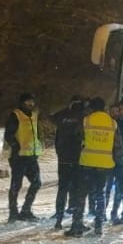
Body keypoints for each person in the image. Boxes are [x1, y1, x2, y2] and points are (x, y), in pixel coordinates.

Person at [68, 96, 121, 237]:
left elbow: (76, 138)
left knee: (81, 194)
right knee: (100, 195)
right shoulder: (112, 123)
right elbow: (118, 146)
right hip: (105, 165)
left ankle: (77, 225)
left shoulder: (86, 120)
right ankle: (98, 226)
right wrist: (118, 162)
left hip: (87, 163)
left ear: (91, 108)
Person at [2, 92, 42, 222]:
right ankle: (13, 213)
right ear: (22, 103)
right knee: (16, 185)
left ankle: (26, 210)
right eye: (28, 102)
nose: (31, 104)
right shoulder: (15, 115)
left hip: (31, 157)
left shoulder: (34, 116)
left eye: (32, 102)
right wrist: (15, 145)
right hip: (19, 158)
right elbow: (8, 134)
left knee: (36, 183)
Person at [49, 96, 86, 229]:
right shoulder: (83, 117)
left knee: (62, 189)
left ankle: (58, 219)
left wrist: (67, 109)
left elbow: (52, 117)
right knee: (77, 190)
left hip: (63, 158)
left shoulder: (62, 116)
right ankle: (76, 221)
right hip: (77, 159)